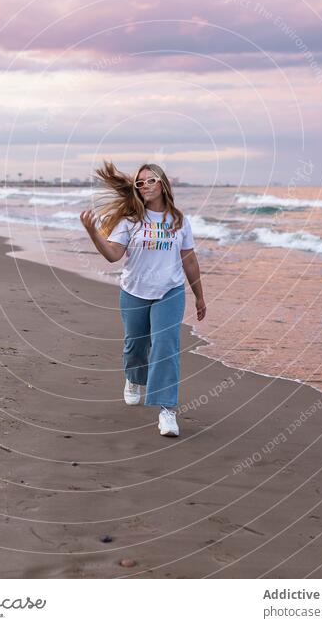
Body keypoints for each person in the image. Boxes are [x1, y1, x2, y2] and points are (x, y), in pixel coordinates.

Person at [80, 160, 206, 438]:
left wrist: (199, 296)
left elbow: (190, 260)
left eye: (150, 180)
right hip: (134, 290)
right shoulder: (130, 221)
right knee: (135, 345)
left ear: (162, 184)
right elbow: (113, 255)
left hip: (170, 291)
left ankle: (167, 411)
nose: (145, 185)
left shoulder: (179, 221)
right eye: (140, 182)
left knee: (166, 347)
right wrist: (93, 233)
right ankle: (134, 378)